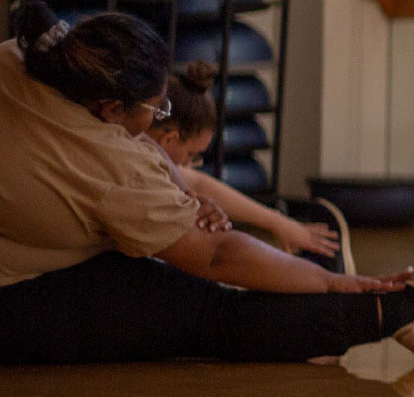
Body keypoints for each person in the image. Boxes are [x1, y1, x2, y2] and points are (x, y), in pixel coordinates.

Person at [0, 3, 414, 364]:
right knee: (202, 311)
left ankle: (315, 327)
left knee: (181, 281)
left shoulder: (14, 60)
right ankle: (408, 310)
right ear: (109, 110)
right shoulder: (107, 166)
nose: (160, 119)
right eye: (154, 111)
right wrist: (337, 281)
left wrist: (174, 208)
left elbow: (66, 183)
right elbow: (214, 253)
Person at [144, 64, 353, 273]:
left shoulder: (149, 152)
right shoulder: (139, 164)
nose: (190, 165)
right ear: (169, 139)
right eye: (191, 154)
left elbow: (199, 182)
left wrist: (278, 223)